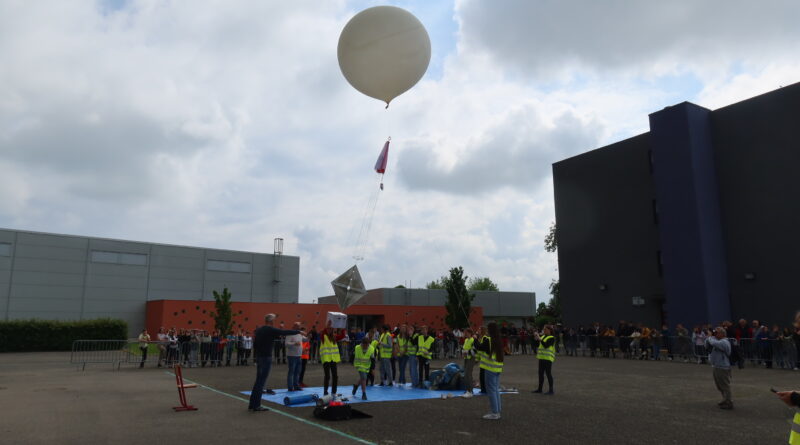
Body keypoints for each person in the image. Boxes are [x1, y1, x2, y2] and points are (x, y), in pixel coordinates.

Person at [247, 314, 300, 412]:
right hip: (266, 357)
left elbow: (255, 344)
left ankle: (252, 403)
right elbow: (284, 332)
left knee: (258, 381)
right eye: (274, 321)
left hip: (259, 357)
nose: (274, 323)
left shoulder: (259, 330)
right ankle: (256, 405)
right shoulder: (270, 329)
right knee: (261, 382)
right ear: (271, 321)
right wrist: (298, 331)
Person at [475, 322, 504, 420]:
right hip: (497, 368)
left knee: (491, 391)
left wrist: (475, 339)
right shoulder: (498, 340)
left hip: (490, 369)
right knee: (495, 390)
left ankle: (495, 412)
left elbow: (480, 347)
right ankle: (497, 410)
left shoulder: (489, 340)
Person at [705, 326, 733, 410]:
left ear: (722, 333)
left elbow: (714, 343)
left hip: (723, 367)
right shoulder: (716, 340)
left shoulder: (725, 342)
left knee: (724, 385)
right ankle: (724, 399)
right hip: (716, 366)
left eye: (716, 332)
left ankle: (729, 402)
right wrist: (710, 337)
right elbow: (706, 345)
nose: (715, 333)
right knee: (719, 386)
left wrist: (710, 337)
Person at [320, 320, 345, 396]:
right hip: (326, 359)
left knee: (335, 376)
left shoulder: (334, 337)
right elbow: (323, 332)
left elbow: (342, 336)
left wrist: (342, 326)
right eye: (328, 329)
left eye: (331, 329)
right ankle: (325, 391)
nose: (329, 330)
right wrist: (327, 325)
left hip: (333, 359)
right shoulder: (323, 336)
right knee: (327, 376)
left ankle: (334, 392)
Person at [532, 325, 556, 395]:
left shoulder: (552, 338)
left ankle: (551, 390)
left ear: (550, 330)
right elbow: (538, 344)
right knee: (540, 374)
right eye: (544, 329)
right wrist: (536, 338)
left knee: (548, 374)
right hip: (542, 358)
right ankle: (540, 389)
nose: (544, 330)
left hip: (548, 359)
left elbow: (546, 345)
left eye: (545, 329)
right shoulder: (543, 337)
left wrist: (539, 338)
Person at [285, 322, 305, 391]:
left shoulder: (300, 334)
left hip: (299, 355)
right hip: (291, 356)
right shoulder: (289, 333)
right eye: (297, 326)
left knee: (297, 372)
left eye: (299, 326)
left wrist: (309, 337)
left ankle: (296, 386)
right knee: (291, 372)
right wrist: (294, 343)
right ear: (294, 326)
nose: (299, 327)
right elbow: (286, 344)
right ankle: (290, 387)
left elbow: (305, 339)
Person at [462, 328, 477, 397]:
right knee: (465, 374)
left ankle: (470, 391)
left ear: (470, 333)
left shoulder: (472, 340)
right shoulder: (466, 340)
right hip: (466, 358)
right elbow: (464, 348)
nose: (465, 334)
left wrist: (466, 352)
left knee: (468, 374)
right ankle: (467, 390)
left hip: (471, 359)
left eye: (467, 333)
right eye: (465, 333)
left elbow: (474, 351)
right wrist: (463, 352)